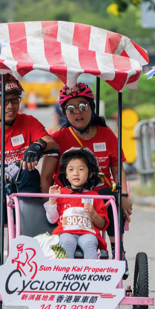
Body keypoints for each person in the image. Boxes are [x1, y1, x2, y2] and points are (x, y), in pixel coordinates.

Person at [0, 73, 59, 267]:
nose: (10, 106)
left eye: (15, 100)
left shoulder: (28, 122)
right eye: (4, 101)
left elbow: (52, 144)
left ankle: (32, 264)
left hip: (22, 192)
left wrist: (38, 145)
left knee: (30, 172)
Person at [41, 83, 132, 276]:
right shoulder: (58, 137)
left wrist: (123, 194)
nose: (77, 112)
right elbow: (46, 176)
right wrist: (47, 200)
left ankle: (117, 251)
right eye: (70, 109)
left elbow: (118, 171)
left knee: (112, 197)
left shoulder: (107, 135)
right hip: (66, 196)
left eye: (83, 106)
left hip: (99, 195)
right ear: (65, 113)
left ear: (92, 108)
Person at [45, 148, 109, 260]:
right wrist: (52, 200)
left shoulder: (94, 196)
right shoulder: (61, 193)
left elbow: (102, 224)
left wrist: (93, 214)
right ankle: (65, 274)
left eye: (81, 169)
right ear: (66, 175)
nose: (76, 173)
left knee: (89, 242)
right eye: (71, 169)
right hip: (66, 231)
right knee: (67, 241)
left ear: (90, 174)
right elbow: (52, 219)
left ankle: (91, 274)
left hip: (87, 233)